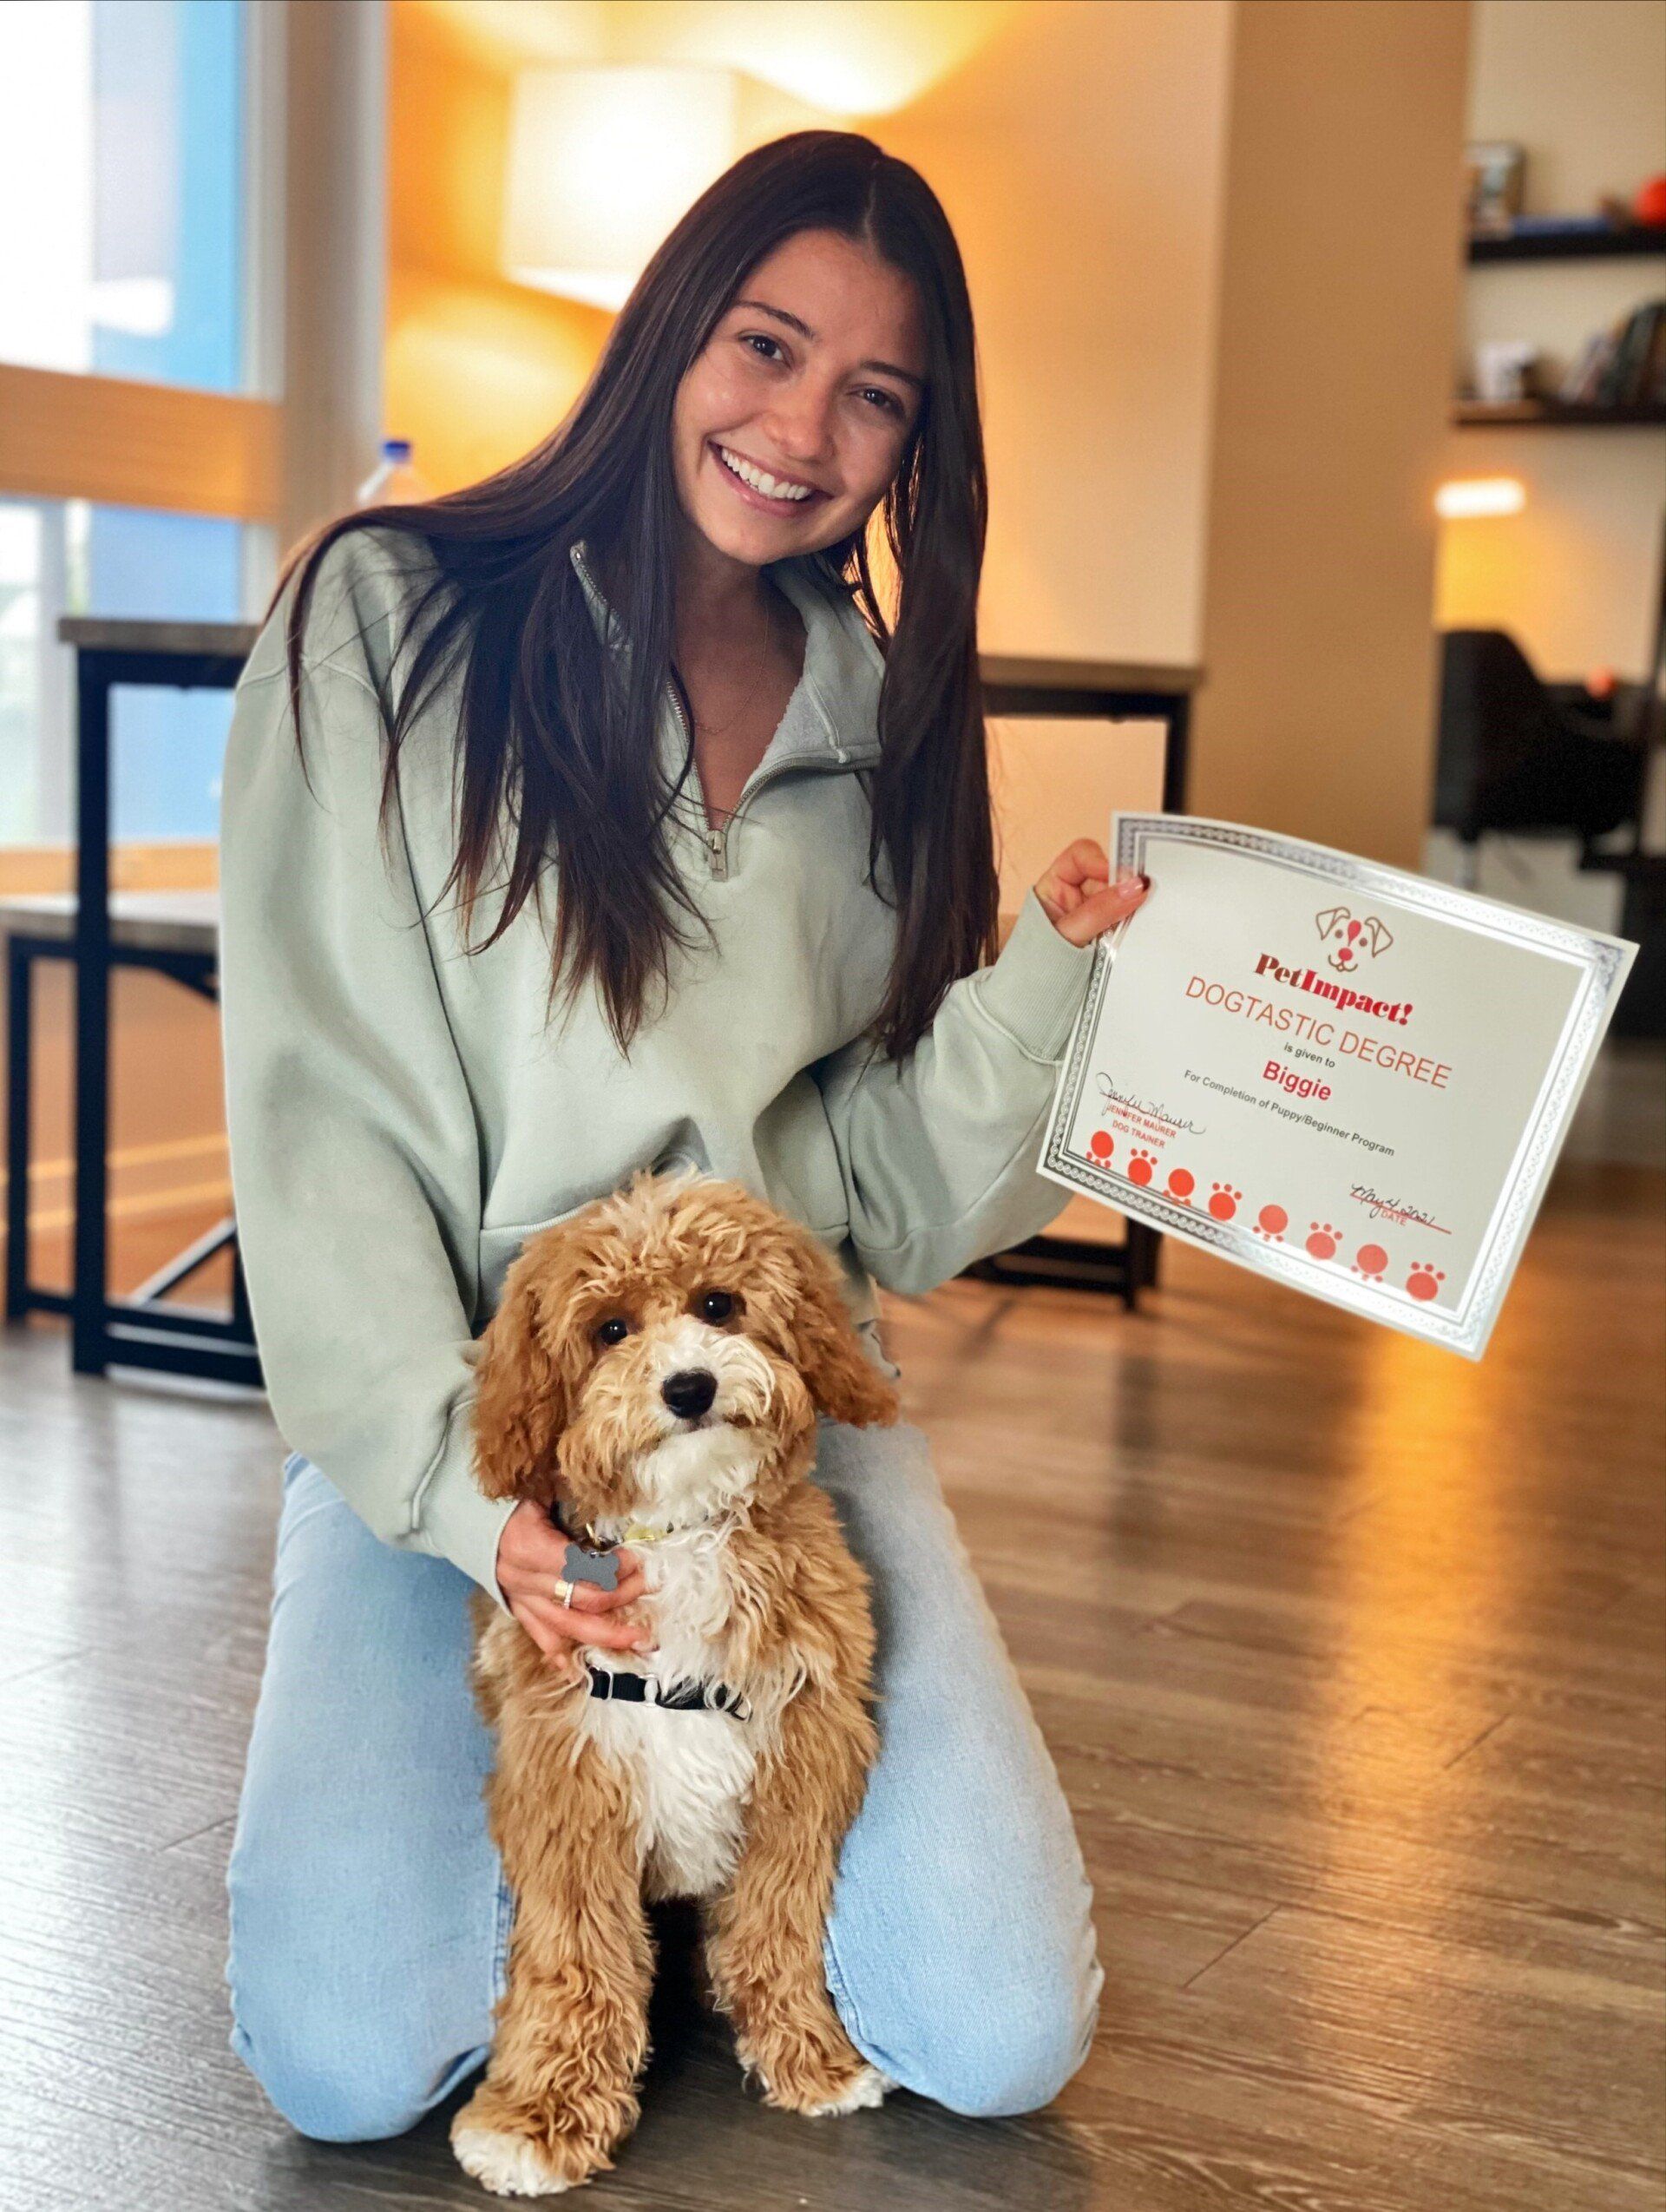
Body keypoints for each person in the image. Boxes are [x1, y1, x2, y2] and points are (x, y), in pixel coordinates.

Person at [218, 129, 1151, 2144]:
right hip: (463, 1422)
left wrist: (1051, 984)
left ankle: (678, 1836)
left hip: (765, 1431)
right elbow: (325, 1121)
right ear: (671, 331)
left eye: (877, 394)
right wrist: (464, 1503)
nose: (804, 431)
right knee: (350, 2066)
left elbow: (888, 1191)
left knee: (998, 2034)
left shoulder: (882, 708)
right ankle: (613, 1846)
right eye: (767, 345)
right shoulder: (385, 616)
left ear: (915, 443)